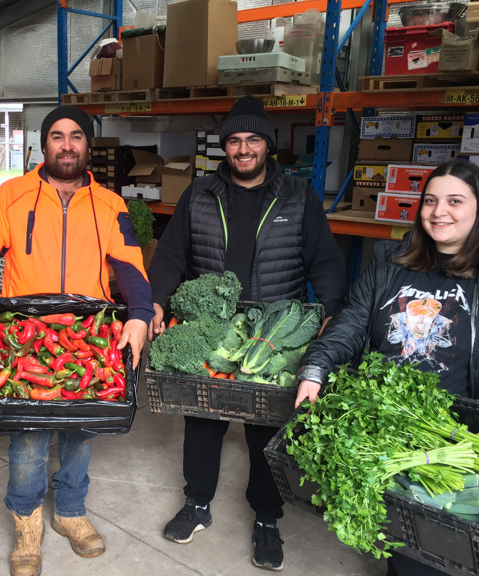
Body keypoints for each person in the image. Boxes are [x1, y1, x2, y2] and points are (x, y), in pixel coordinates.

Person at [0, 106, 154, 576]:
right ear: (44, 146)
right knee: (29, 434)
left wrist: (140, 313)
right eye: (57, 136)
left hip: (87, 333)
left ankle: (71, 512)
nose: (66, 144)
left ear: (88, 146)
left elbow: (130, 266)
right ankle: (27, 522)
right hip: (28, 331)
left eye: (76, 136)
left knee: (83, 427)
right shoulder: (13, 197)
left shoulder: (110, 205)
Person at [148, 95, 348, 571]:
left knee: (266, 428)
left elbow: (325, 261)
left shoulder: (298, 197)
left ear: (267, 145)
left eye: (252, 139)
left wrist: (333, 311)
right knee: (201, 419)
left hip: (273, 332)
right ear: (225, 148)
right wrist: (154, 300)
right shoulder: (199, 194)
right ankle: (197, 503)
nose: (243, 148)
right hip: (214, 328)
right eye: (235, 140)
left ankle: (266, 516)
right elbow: (172, 256)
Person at [296, 159, 479, 576]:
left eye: (455, 201)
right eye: (430, 201)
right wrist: (316, 367)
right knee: (405, 545)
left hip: (453, 432)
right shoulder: (391, 260)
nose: (439, 212)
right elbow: (350, 322)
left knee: (445, 549)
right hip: (384, 422)